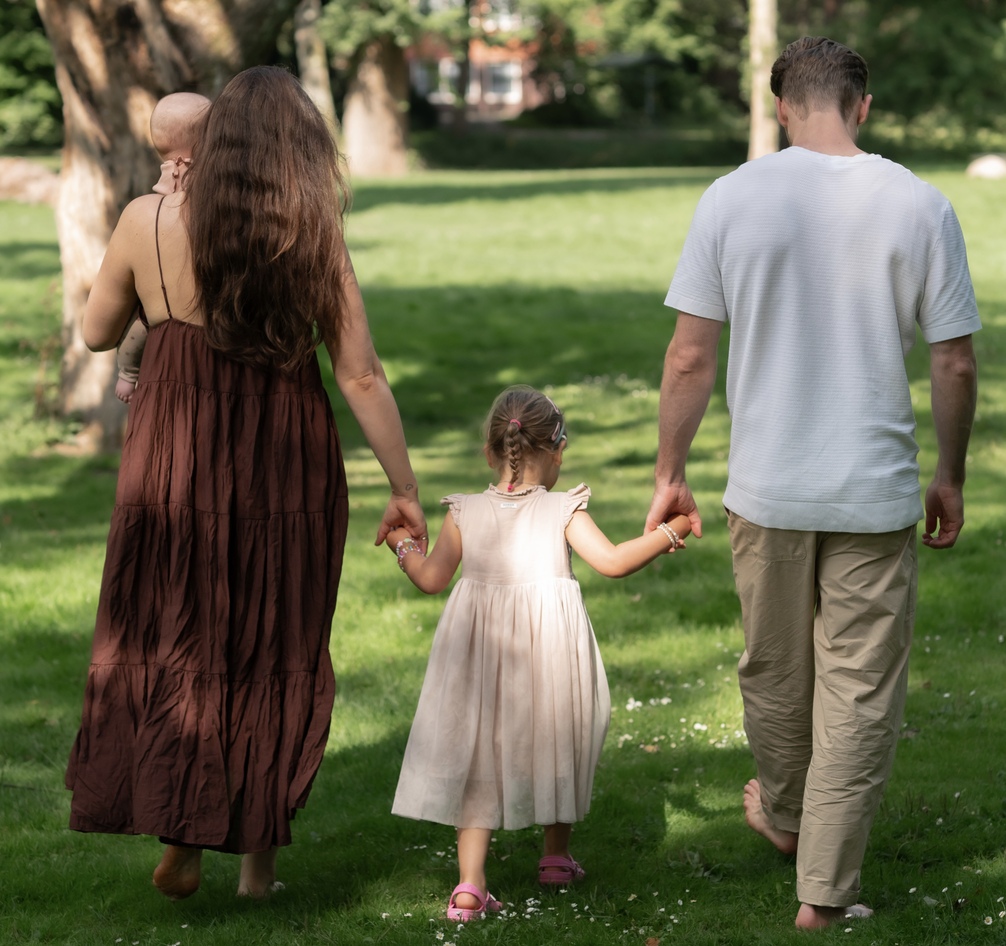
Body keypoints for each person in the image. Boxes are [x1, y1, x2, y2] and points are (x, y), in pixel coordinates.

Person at [67, 66, 427, 900]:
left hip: (174, 452)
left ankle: (182, 830)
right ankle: (257, 867)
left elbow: (94, 332)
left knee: (178, 624)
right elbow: (361, 375)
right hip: (282, 456)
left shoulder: (147, 218)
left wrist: (153, 304)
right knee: (275, 635)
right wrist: (403, 487)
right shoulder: (310, 233)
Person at [646, 36, 980, 929]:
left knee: (775, 670)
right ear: (862, 106)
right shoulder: (921, 204)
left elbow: (688, 356)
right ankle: (823, 891)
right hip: (875, 490)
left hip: (767, 487)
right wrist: (949, 475)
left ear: (782, 106)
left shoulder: (730, 198)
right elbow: (953, 361)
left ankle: (793, 819)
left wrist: (670, 471)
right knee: (858, 689)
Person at [387, 385, 692, 921]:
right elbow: (615, 562)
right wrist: (675, 528)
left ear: (490, 451)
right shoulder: (562, 509)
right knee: (556, 738)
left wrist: (402, 544)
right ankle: (554, 857)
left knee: (478, 750)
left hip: (479, 654)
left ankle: (469, 885)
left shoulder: (465, 511)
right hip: (550, 653)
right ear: (557, 451)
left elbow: (431, 579)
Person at [115, 92, 210, 404]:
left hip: (165, 323)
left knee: (143, 324)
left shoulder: (145, 211)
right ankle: (128, 373)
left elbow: (96, 335)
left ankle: (127, 373)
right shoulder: (207, 184)